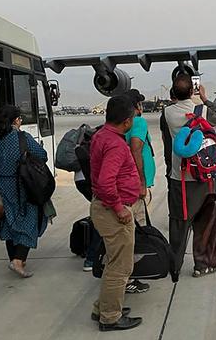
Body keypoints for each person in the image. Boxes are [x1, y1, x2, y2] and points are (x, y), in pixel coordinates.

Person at [89, 96, 143, 331]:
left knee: (114, 263)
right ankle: (110, 317)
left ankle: (103, 307)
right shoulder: (115, 144)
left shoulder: (102, 135)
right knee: (121, 267)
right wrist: (120, 208)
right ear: (127, 121)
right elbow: (105, 182)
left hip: (104, 207)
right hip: (112, 210)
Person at [0, 105, 49, 278]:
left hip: (0, 186)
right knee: (29, 221)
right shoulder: (22, 137)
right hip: (21, 186)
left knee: (8, 222)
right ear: (16, 120)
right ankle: (18, 260)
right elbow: (42, 155)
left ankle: (14, 258)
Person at [164, 74, 216, 280]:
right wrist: (203, 98)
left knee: (179, 223)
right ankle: (201, 265)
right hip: (202, 177)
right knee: (203, 223)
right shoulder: (202, 111)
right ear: (191, 91)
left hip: (179, 177)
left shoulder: (167, 113)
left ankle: (174, 265)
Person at [123, 89, 154, 293]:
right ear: (136, 107)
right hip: (136, 188)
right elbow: (135, 148)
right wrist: (141, 183)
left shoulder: (122, 125)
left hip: (128, 184)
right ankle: (129, 277)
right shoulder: (139, 122)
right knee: (138, 231)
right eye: (140, 104)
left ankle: (127, 274)